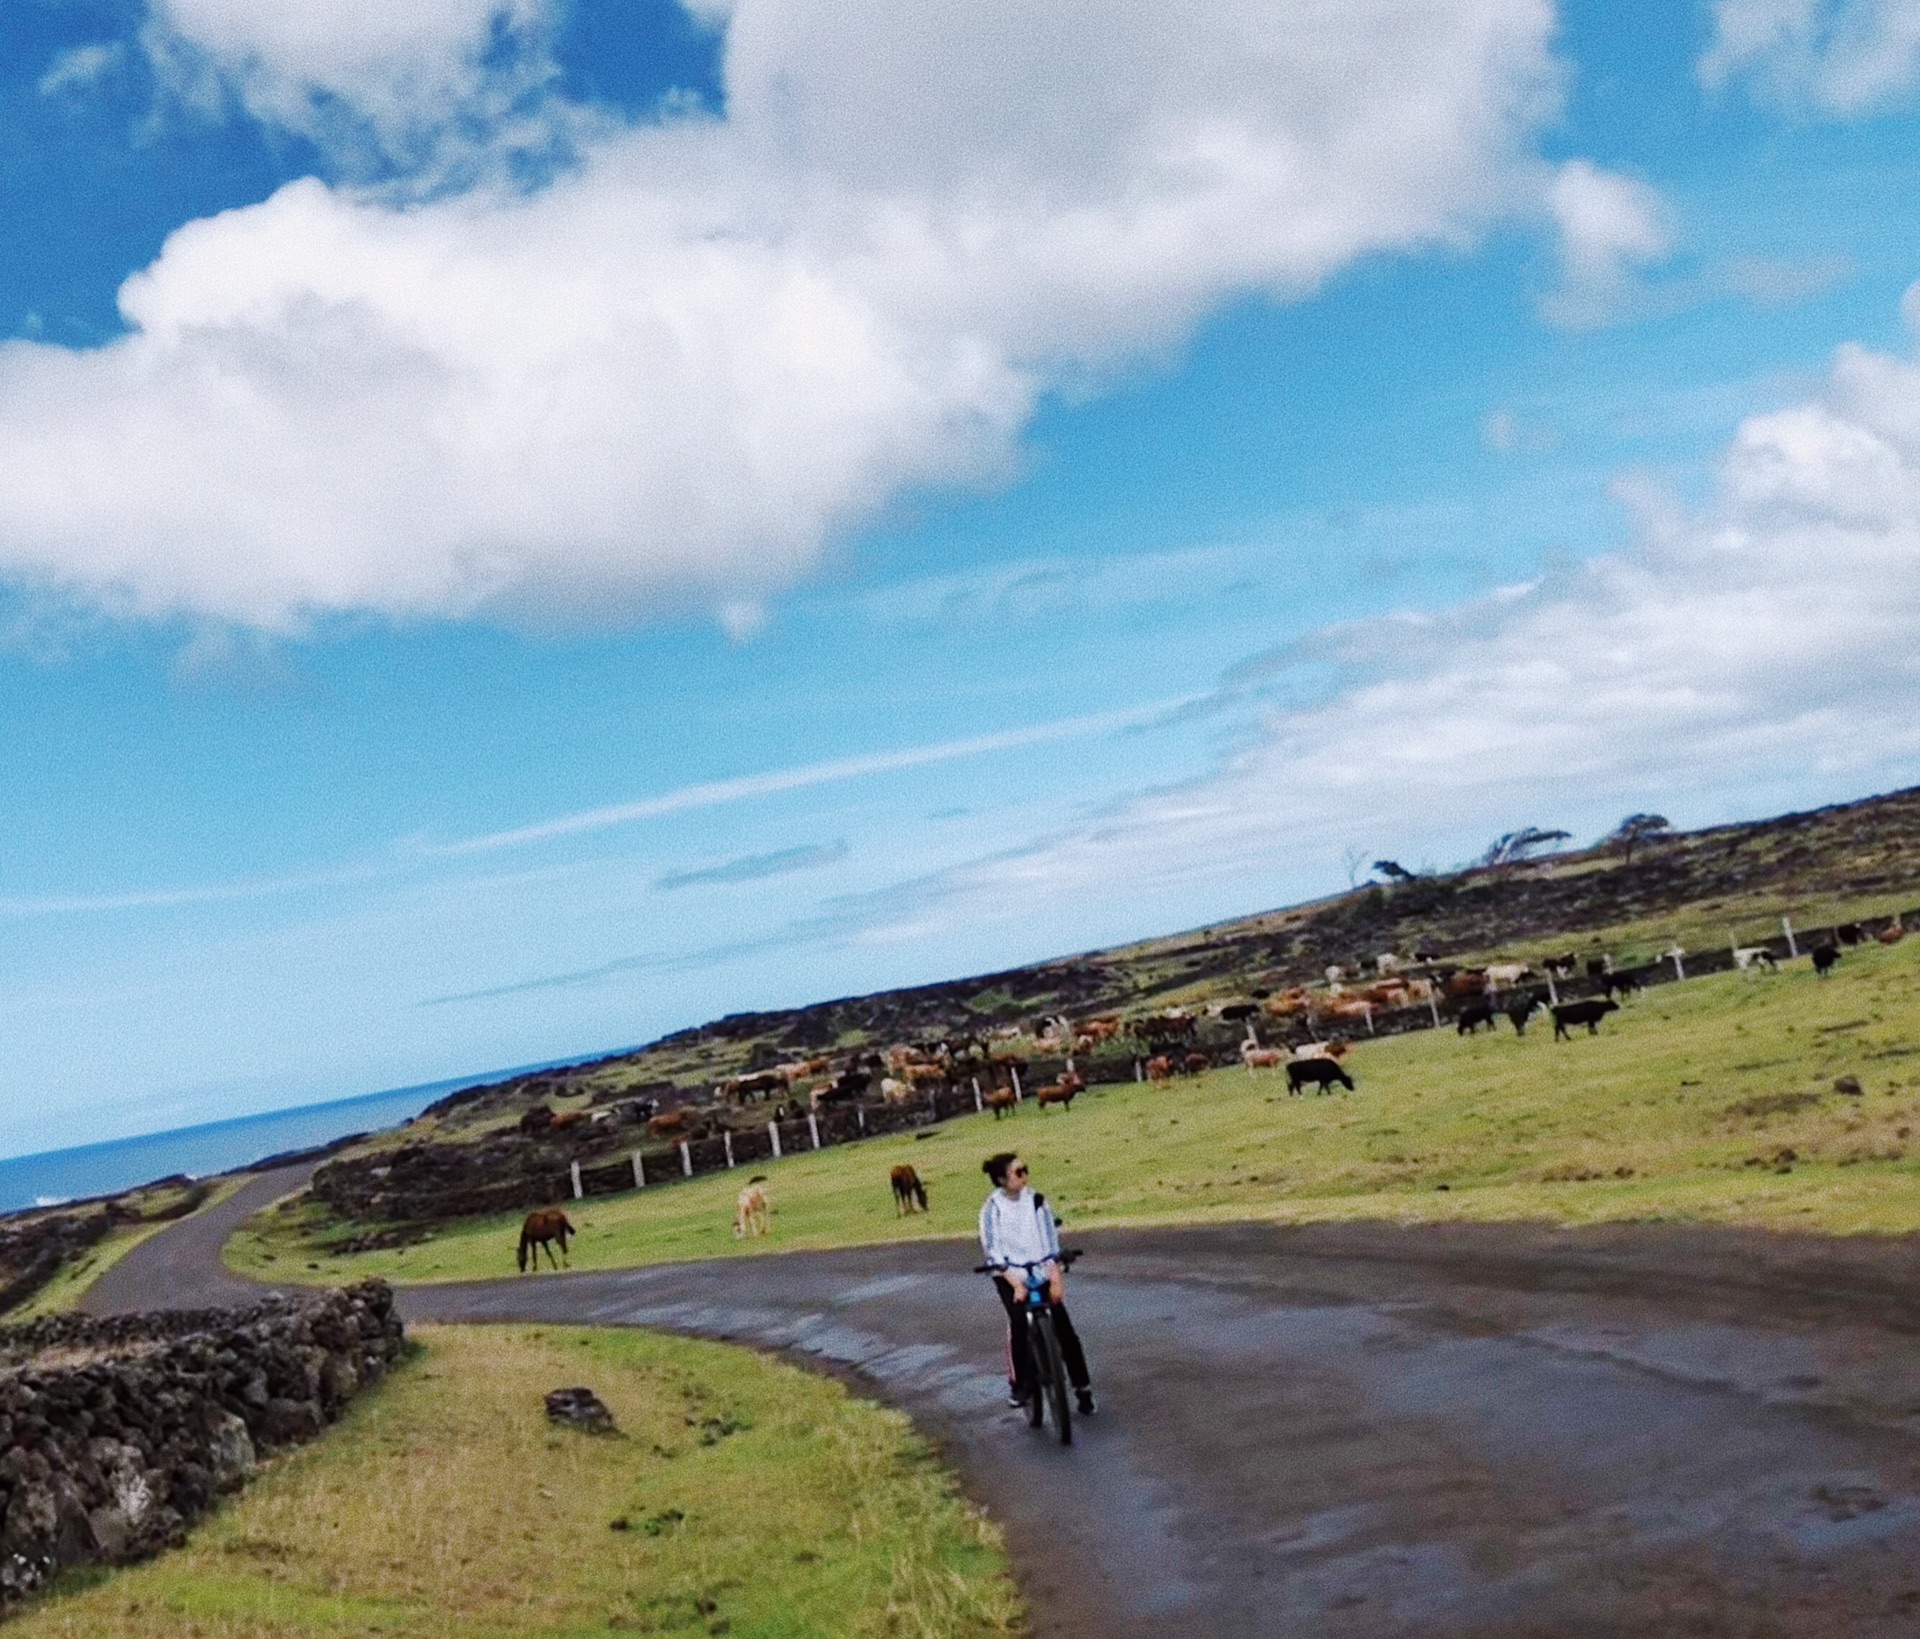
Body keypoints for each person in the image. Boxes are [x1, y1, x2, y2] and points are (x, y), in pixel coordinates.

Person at [978, 1151, 1095, 1414]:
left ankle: (1082, 1388)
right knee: (1018, 1321)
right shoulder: (991, 1209)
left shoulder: (1038, 1201)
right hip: (1009, 1274)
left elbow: (1051, 1243)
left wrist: (1056, 1279)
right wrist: (1015, 1284)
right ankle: (1022, 1385)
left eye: (1025, 1170)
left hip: (1041, 1270)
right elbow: (992, 1251)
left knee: (1064, 1327)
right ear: (1001, 1179)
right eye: (1018, 1172)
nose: (1024, 1176)